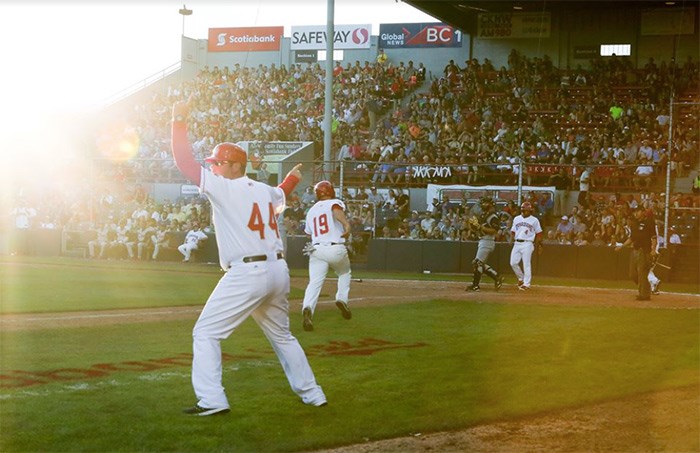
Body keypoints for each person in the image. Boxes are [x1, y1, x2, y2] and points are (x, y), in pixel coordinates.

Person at [171, 100, 326, 416]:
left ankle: (212, 400)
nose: (212, 167)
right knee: (283, 337)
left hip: (247, 273)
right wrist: (294, 178)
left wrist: (178, 121)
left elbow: (183, 161)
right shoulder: (263, 189)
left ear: (232, 166)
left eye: (217, 162)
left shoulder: (224, 187)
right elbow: (282, 192)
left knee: (205, 333)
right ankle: (314, 394)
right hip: (277, 271)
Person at [300, 181, 352, 331]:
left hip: (316, 249)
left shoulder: (311, 210)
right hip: (335, 247)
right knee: (344, 272)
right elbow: (336, 210)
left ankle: (308, 307)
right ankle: (342, 299)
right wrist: (346, 224)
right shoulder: (335, 202)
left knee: (314, 282)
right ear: (331, 191)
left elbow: (308, 232)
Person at [615, 207, 657, 301]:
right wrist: (622, 246)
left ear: (643, 212)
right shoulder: (635, 224)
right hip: (635, 250)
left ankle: (644, 294)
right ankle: (646, 287)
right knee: (632, 274)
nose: (636, 213)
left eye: (638, 211)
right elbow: (632, 238)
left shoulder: (649, 222)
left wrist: (653, 250)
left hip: (644, 251)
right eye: (635, 212)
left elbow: (654, 237)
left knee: (642, 273)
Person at [466, 197, 504, 292]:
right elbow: (476, 229)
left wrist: (480, 227)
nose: (483, 205)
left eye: (485, 203)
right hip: (483, 240)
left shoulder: (493, 216)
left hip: (488, 241)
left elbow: (494, 231)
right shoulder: (484, 215)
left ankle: (476, 285)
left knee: (477, 263)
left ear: (490, 204)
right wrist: (471, 225)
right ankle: (496, 277)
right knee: (479, 263)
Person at [509, 201, 543, 291]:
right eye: (523, 210)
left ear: (530, 211)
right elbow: (513, 231)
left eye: (526, 210)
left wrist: (538, 244)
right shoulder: (516, 218)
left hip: (528, 243)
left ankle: (526, 284)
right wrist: (511, 238)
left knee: (526, 264)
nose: (524, 212)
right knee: (513, 263)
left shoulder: (534, 220)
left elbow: (539, 233)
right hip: (517, 242)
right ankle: (521, 278)